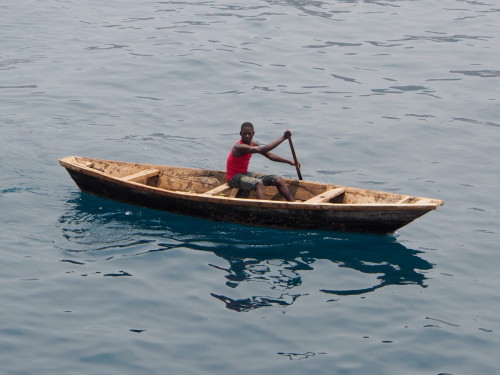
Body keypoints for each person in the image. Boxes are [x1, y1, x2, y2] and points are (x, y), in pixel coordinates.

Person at [226, 122, 299, 202]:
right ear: (240, 134)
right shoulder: (239, 146)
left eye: (249, 134)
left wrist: (289, 162)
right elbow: (262, 149)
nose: (247, 136)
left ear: (253, 134)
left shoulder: (253, 144)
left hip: (244, 174)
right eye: (244, 134)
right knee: (258, 183)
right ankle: (261, 207)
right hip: (233, 178)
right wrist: (283, 137)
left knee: (278, 179)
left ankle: (293, 203)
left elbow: (270, 156)